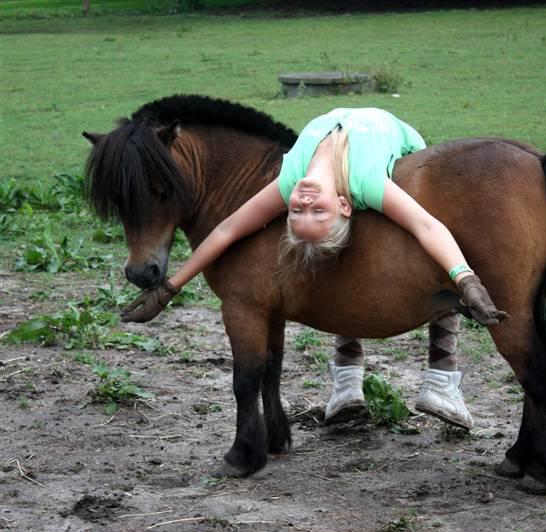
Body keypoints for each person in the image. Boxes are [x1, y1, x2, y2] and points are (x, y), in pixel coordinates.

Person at [121, 107, 507, 430]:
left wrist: (463, 278)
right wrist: (466, 279)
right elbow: (225, 231)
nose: (303, 201)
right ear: (344, 205)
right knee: (369, 251)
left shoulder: (308, 181)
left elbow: (227, 229)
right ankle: (353, 378)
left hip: (383, 136)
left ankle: (413, 374)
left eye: (303, 210)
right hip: (370, 131)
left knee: (388, 241)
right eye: (306, 210)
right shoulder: (345, 185)